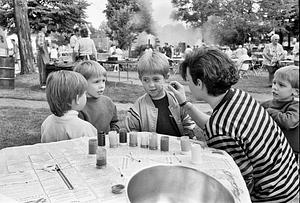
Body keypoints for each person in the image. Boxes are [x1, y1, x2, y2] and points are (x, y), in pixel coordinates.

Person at [168, 47, 299, 202]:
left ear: (199, 83)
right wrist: (184, 103)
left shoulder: (220, 130)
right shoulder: (239, 96)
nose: (187, 85)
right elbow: (215, 125)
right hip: (290, 179)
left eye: (188, 81)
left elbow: (240, 180)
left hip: (273, 194)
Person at [125, 51, 195, 137]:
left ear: (166, 77)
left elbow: (188, 124)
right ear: (140, 79)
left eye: (156, 79)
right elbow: (132, 132)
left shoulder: (177, 101)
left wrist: (188, 138)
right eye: (146, 80)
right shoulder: (137, 108)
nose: (151, 85)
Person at [41, 70, 97, 143]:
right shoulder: (84, 128)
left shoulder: (47, 122)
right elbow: (95, 150)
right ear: (77, 99)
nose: (86, 96)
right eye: (84, 93)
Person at [261, 66, 299, 157]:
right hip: (271, 147)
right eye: (274, 83)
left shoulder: (296, 106)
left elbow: (289, 122)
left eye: (281, 85)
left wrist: (270, 112)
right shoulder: (266, 104)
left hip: (290, 151)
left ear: (296, 91)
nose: (275, 87)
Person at [74, 60, 119, 134]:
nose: (101, 86)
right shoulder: (79, 106)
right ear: (82, 83)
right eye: (96, 82)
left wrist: (114, 131)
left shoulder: (108, 102)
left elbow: (114, 122)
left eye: (103, 81)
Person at [36, 24, 50, 89]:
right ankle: (43, 84)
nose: (46, 29)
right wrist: (44, 53)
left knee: (43, 69)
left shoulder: (40, 34)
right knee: (43, 69)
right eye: (45, 27)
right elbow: (40, 44)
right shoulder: (41, 34)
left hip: (41, 53)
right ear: (42, 28)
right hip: (41, 54)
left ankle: (43, 83)